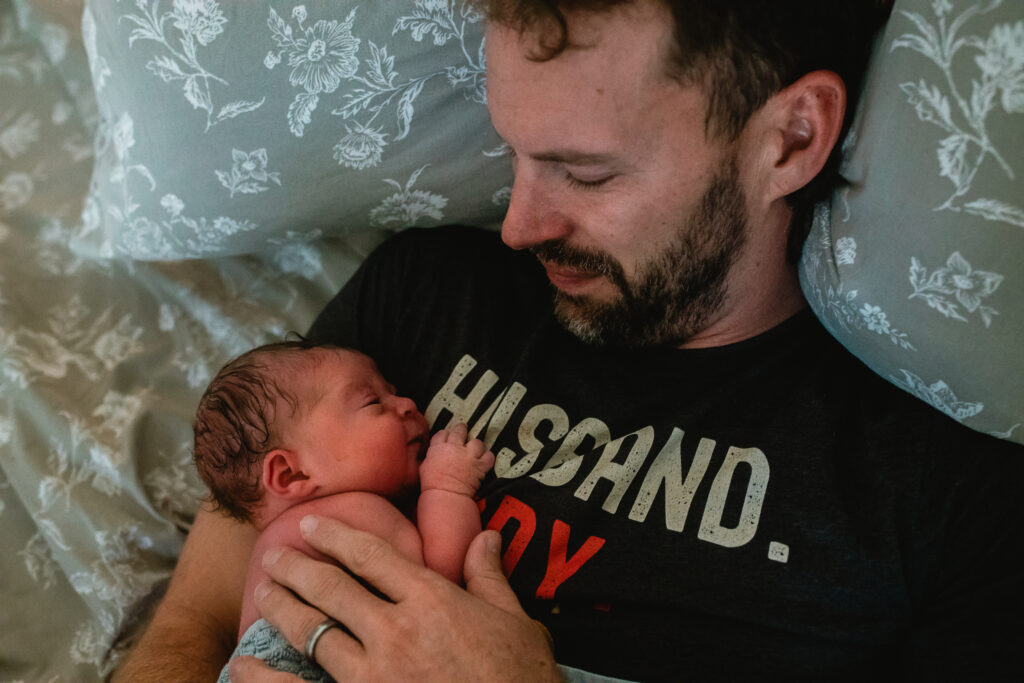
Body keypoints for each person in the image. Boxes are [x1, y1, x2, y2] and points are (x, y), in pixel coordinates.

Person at [114, 1, 1024, 681]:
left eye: (584, 172)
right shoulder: (421, 296)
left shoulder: (941, 481)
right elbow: (190, 628)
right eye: (512, 153)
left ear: (790, 137)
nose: (517, 225)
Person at [188, 340, 495, 680]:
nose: (407, 404)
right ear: (291, 473)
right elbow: (440, 585)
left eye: (391, 392)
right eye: (373, 402)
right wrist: (448, 486)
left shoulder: (271, 546)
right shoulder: (346, 514)